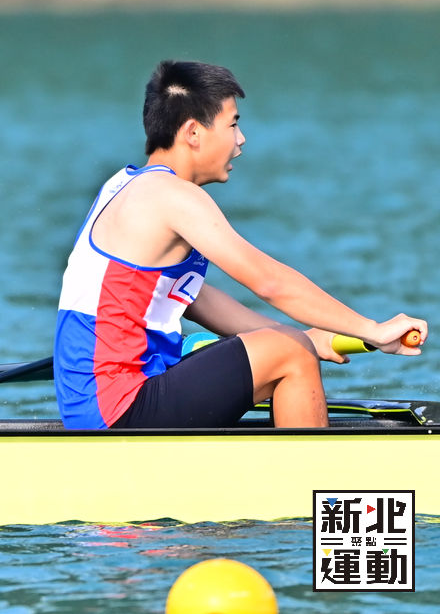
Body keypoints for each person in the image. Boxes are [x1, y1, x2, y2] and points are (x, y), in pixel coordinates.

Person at [54, 59, 425, 429]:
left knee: (286, 343)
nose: (241, 139)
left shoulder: (123, 185)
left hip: (98, 402)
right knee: (291, 354)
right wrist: (371, 330)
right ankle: (312, 468)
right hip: (118, 406)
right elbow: (270, 282)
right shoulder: (172, 196)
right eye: (233, 124)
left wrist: (307, 337)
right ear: (193, 132)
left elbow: (194, 298)